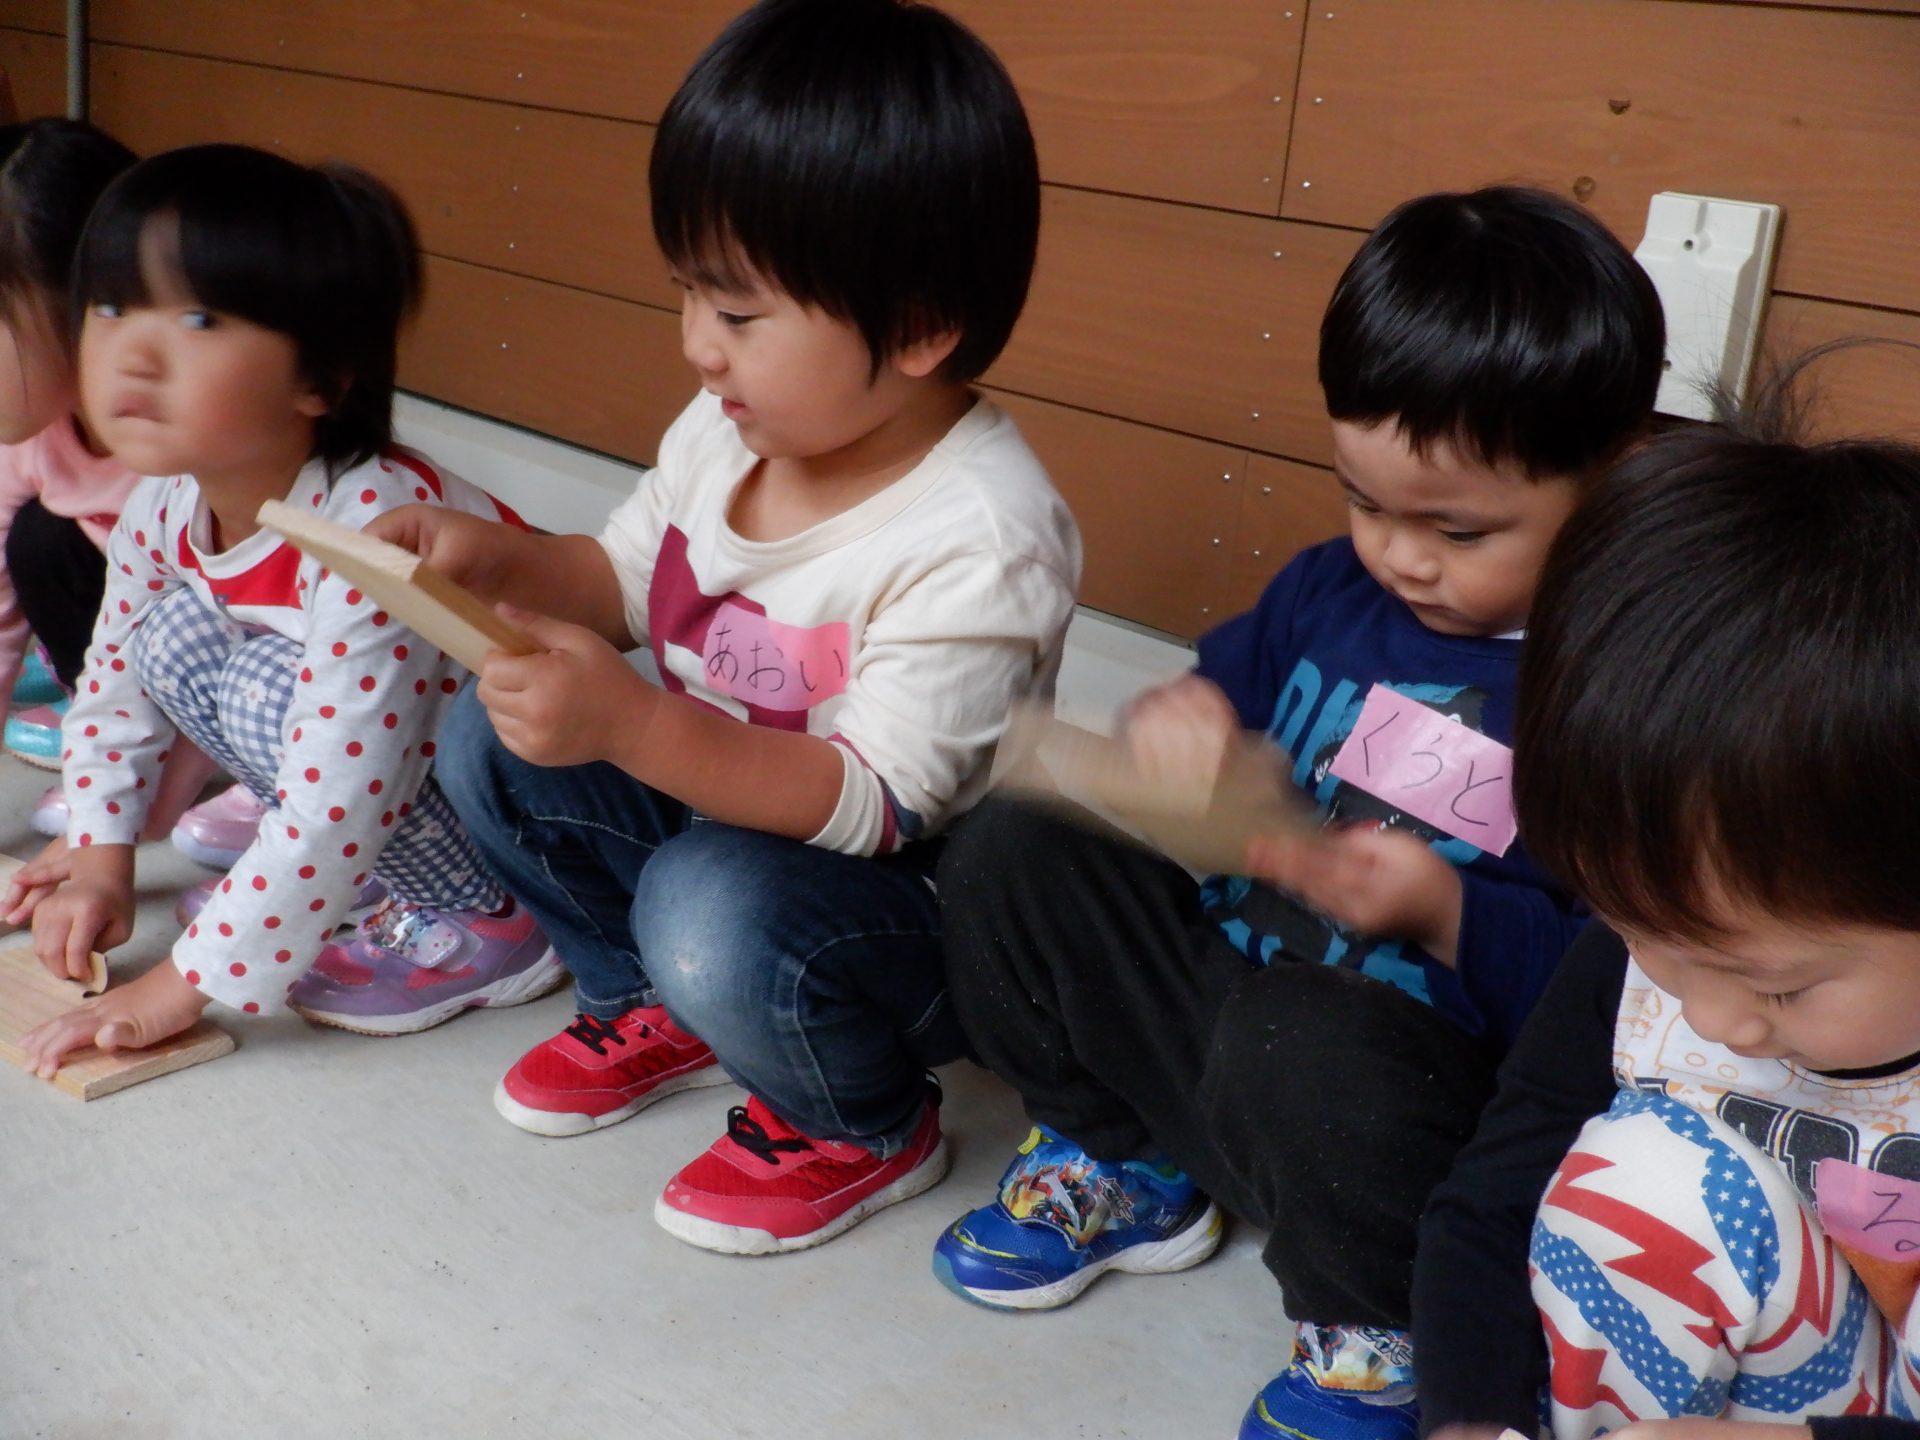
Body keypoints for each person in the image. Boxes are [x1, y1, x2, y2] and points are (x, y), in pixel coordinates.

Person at [929, 186, 1666, 1440]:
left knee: (1306, 1039)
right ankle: (1126, 1159)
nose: (1401, 556)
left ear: (1613, 479)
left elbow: (1625, 1003)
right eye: (1365, 502)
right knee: (1012, 847)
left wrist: (1444, 909)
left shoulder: (1628, 697)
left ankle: (1377, 1323)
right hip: (1230, 1031)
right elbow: (1220, 700)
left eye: (1459, 528)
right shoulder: (1329, 593)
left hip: (1408, 1115)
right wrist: (1184, 723)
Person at [376, 0, 1078, 1256]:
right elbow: (620, 579)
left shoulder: (984, 534)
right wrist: (495, 561)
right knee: (492, 734)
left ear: (921, 323)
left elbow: (873, 805)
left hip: (904, 910)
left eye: (741, 314)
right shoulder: (730, 431)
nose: (700, 348)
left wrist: (633, 725)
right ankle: (657, 1002)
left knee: (706, 900)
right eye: (689, 294)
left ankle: (859, 1118)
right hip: (725, 819)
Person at [1414, 375, 1920, 1440]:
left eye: (1781, 987)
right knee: (1638, 1183)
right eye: (1648, 939)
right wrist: (1472, 1420)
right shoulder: (1661, 943)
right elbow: (1490, 1203)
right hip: (1788, 1362)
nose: (1710, 1019)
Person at [12, 143, 563, 1074]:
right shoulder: (166, 501)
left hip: (537, 807)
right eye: (111, 306)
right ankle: (367, 884)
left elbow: (339, 795)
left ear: (323, 380)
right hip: (401, 769)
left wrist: (182, 982)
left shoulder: (371, 528)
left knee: (269, 684)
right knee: (168, 641)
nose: (132, 353)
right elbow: (110, 687)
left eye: (197, 318)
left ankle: (487, 920)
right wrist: (103, 858)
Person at [0, 117, 230, 848]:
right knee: (38, 539)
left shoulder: (190, 443)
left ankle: (267, 780)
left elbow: (260, 622)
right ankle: (120, 742)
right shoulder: (32, 438)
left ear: (84, 306)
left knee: (194, 616)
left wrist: (122, 821)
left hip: (259, 662)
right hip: (138, 649)